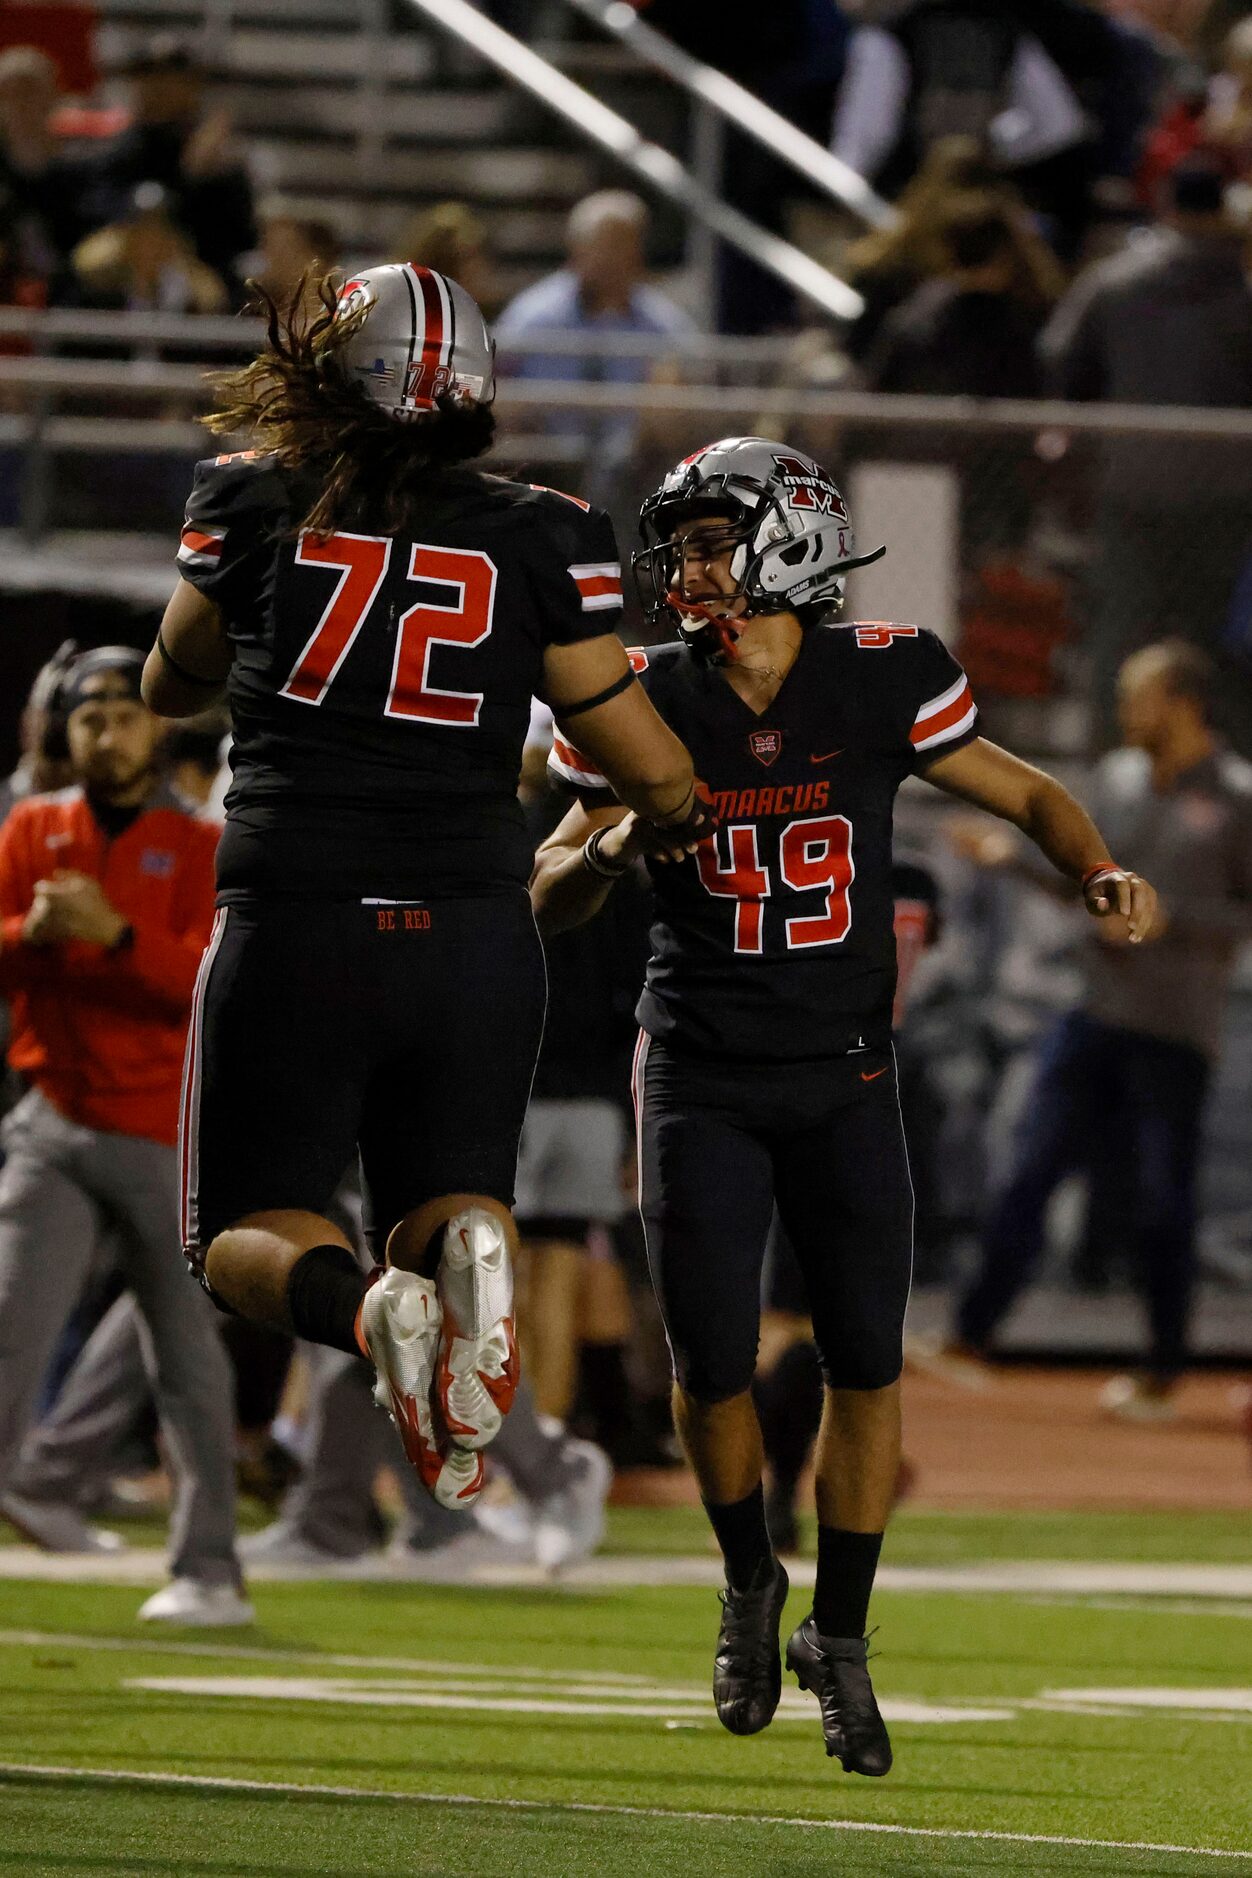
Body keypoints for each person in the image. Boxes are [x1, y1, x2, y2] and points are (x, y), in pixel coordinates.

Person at [531, 436, 1156, 1774]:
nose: (688, 568)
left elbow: (1031, 791)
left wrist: (1099, 869)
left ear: (788, 541)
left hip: (847, 1072)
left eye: (712, 541)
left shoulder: (886, 672)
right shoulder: (642, 692)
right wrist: (623, 842)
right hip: (698, 1067)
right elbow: (549, 889)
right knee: (708, 1366)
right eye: (683, 544)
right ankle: (751, 1574)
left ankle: (848, 1637)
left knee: (869, 1362)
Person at [140, 262, 708, 1514]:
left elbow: (166, 686)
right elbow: (635, 753)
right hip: (472, 928)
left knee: (240, 1229)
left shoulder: (251, 499)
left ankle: (371, 1312)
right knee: (450, 1202)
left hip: (296, 914)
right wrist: (666, 811)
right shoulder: (543, 528)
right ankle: (453, 1269)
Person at [0, 646, 248, 1622]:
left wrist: (111, 938)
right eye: (90, 716)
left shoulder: (203, 844)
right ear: (64, 729)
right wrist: (37, 938)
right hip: (52, 1124)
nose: (108, 732)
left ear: (159, 726)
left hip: (164, 1136)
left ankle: (209, 1571)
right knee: (8, 1335)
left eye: (125, 714)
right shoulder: (31, 825)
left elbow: (208, 989)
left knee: (186, 1363)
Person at [947, 641, 1252, 1417]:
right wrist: (1010, 859)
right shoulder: (1114, 783)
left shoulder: (1236, 795)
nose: (1125, 713)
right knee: (1029, 1170)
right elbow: (1076, 872)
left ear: (1181, 703)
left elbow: (1242, 914)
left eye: (1137, 697)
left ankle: (1161, 1370)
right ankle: (969, 1337)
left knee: (1162, 1202)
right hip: (1094, 1014)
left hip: (1178, 1029)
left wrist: (1166, 920)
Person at [1043, 157, 1252, 745]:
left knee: (1122, 627)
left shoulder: (1116, 281)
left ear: (1165, 205)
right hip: (1224, 493)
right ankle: (1207, 762)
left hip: (1131, 483)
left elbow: (1061, 361)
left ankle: (1113, 756)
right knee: (1205, 636)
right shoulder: (1242, 292)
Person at [494, 191, 695, 512]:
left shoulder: (664, 323)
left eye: (625, 244)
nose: (614, 257)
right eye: (604, 244)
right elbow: (495, 389)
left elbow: (695, 387)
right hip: (545, 469)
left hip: (637, 475)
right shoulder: (533, 316)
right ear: (577, 248)